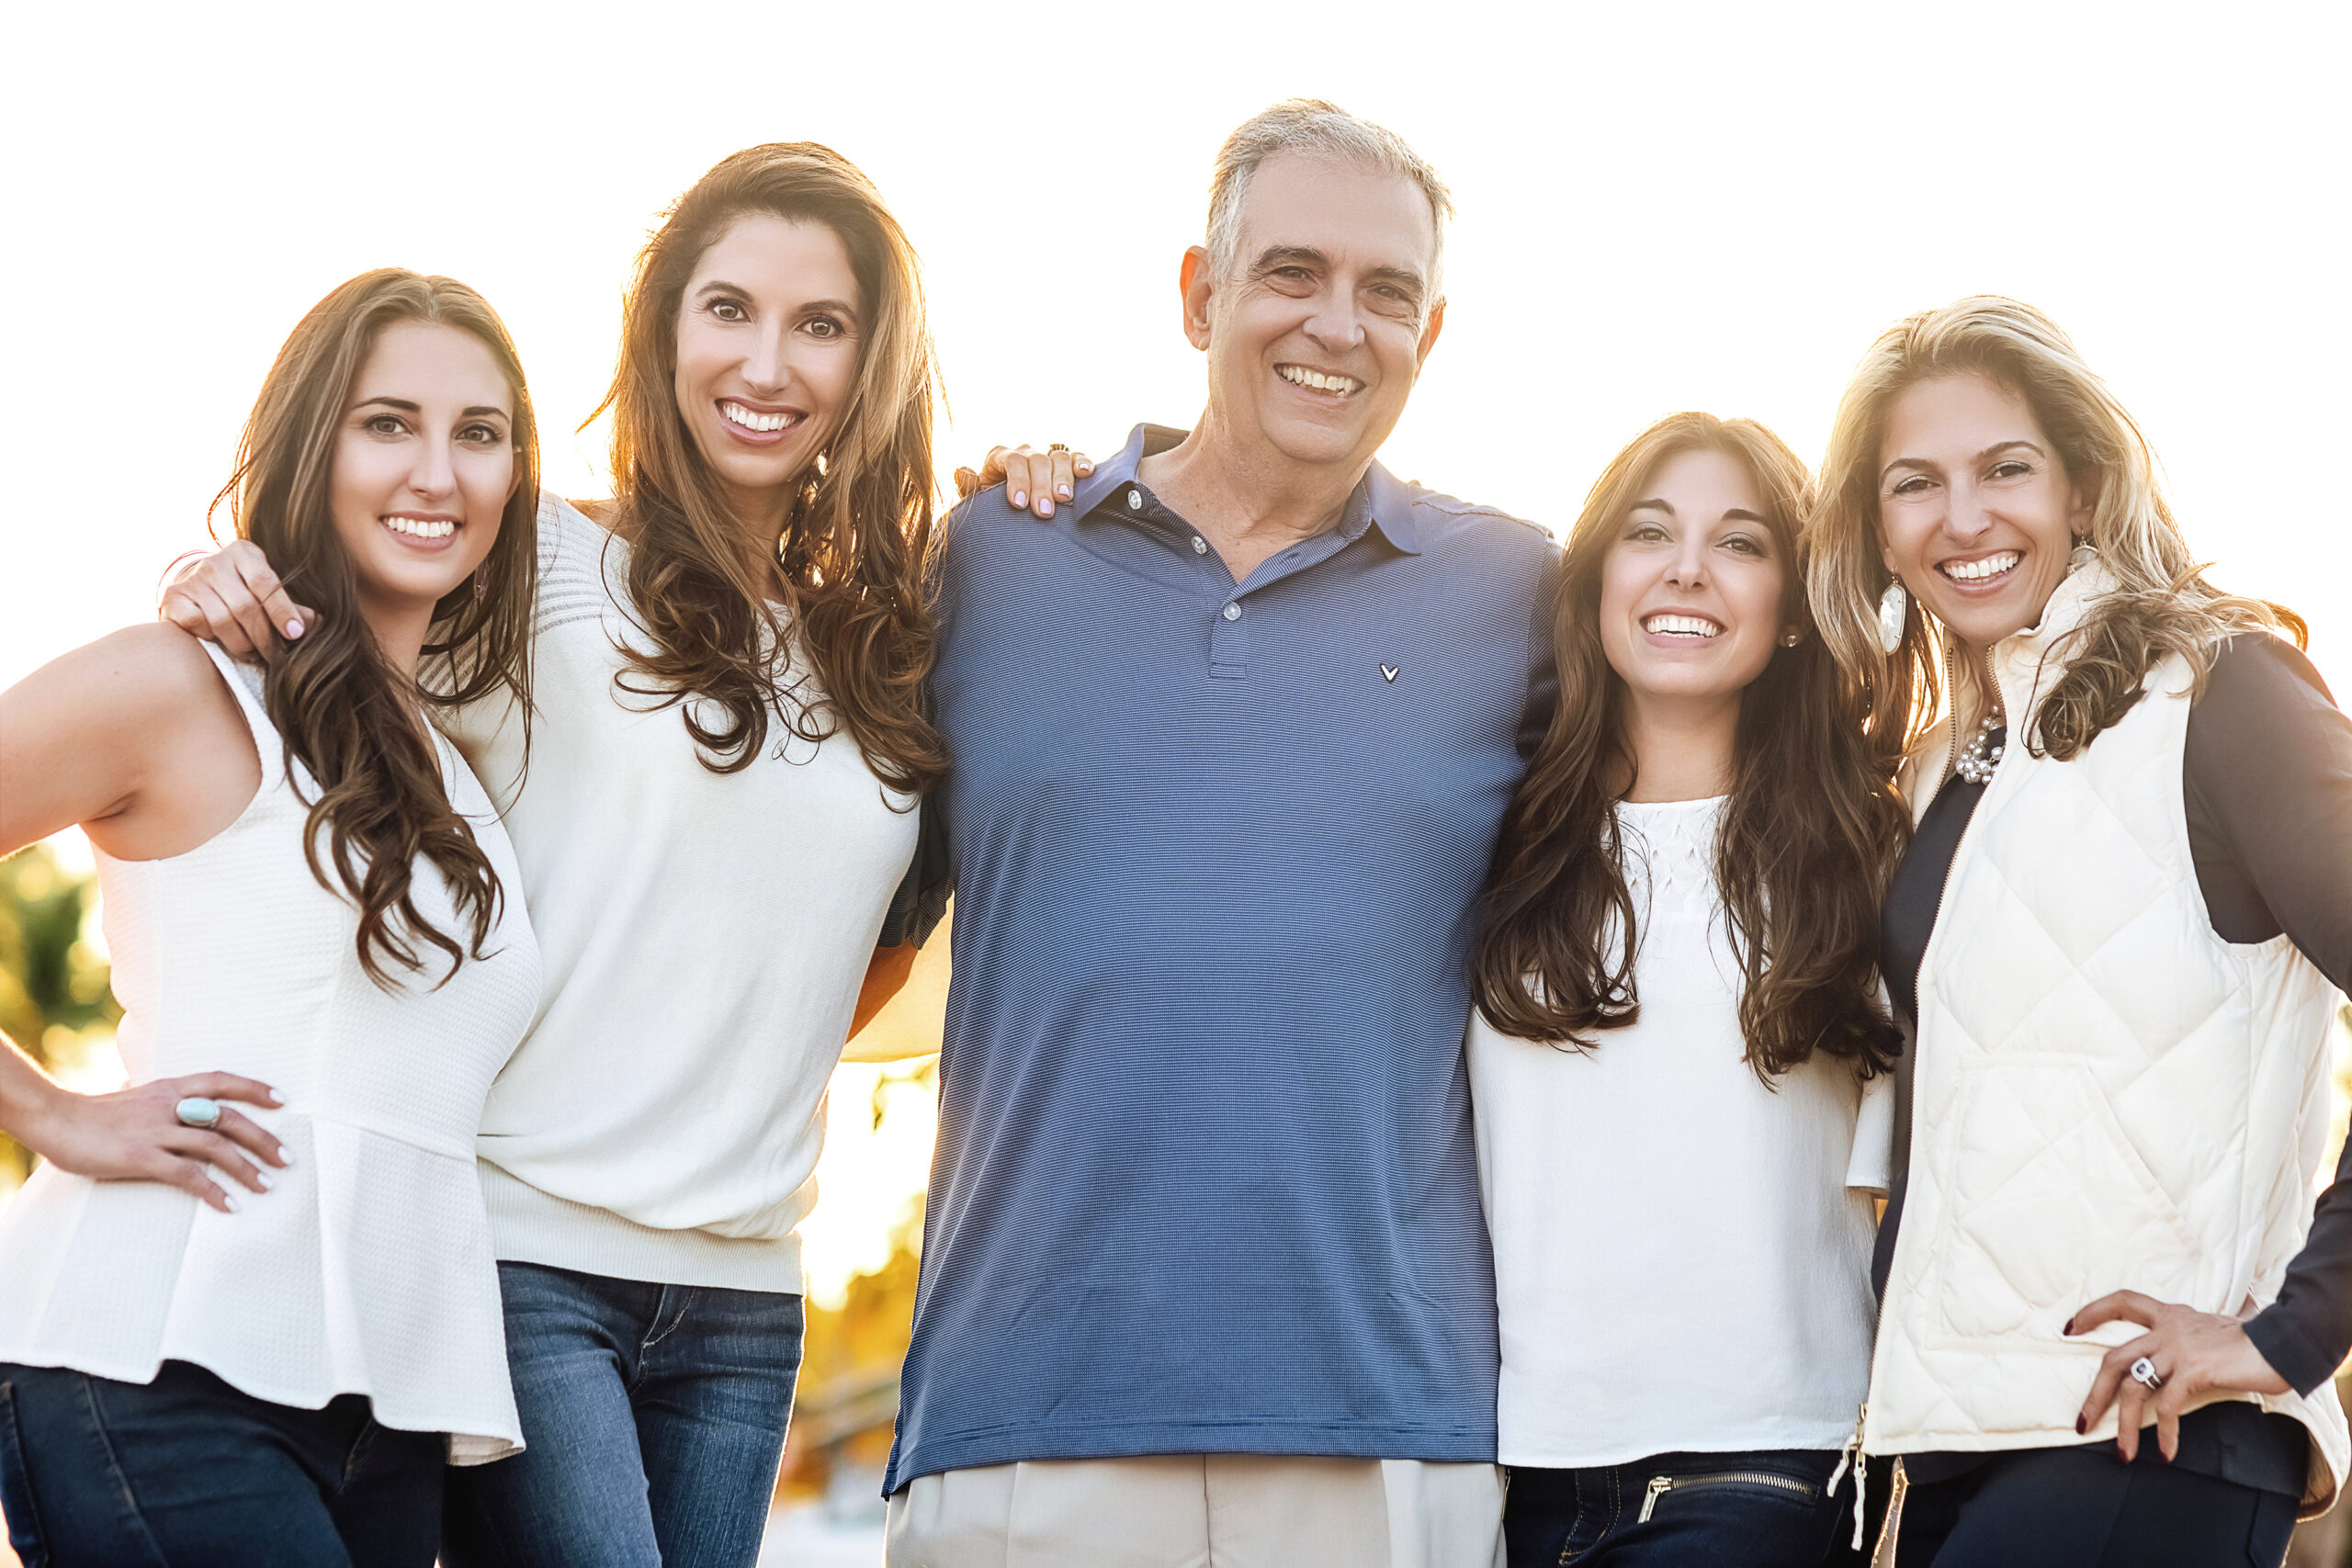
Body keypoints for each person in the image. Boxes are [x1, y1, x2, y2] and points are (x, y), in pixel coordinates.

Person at [160, 143, 944, 1568]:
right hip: (517, 1256)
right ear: (663, 326)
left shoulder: (883, 647)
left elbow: (857, 953)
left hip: (749, 1296)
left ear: (869, 362)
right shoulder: (536, 559)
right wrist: (207, 572)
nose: (767, 362)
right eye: (728, 308)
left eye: (820, 324)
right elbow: (317, 615)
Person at [880, 100, 1555, 1568]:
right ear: (1199, 295)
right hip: (1019, 1412)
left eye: (1388, 292)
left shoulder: (1525, 596)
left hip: (1387, 1423)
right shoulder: (992, 555)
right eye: (1291, 272)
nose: (1338, 325)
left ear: (1431, 337)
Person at [0, 269, 543, 1567]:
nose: (436, 473)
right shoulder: (181, 683)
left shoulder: (463, 768)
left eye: (478, 433)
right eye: (387, 423)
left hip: (388, 1409)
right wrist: (54, 1111)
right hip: (154, 1367)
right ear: (311, 446)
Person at [1806, 296, 2352, 1564]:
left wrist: (2288, 1334)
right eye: (1915, 483)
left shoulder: (2224, 689)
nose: (1963, 518)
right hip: (1960, 1446)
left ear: (2086, 487)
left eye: (2005, 469)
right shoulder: (1943, 765)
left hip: (2149, 1441)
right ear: (1878, 530)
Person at [1465, 412, 1906, 1566]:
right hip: (1503, 1466)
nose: (1687, 570)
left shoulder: (1868, 851)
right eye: (1649, 532)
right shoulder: (1494, 837)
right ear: (1595, 579)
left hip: (1762, 1465)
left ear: (1794, 607)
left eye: (1740, 543)